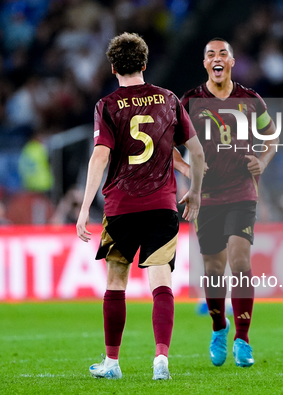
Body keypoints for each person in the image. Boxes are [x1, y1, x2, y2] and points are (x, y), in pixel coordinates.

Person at [75, 33, 204, 380]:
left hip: (121, 205)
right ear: (145, 64)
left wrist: (85, 206)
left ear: (113, 67)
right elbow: (196, 152)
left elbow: (101, 155)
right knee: (161, 280)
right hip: (163, 205)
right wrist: (194, 189)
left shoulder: (107, 105)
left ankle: (113, 363)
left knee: (116, 280)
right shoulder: (168, 99)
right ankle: (161, 358)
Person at [174, 38, 278, 368]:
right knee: (214, 269)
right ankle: (219, 328)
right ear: (205, 63)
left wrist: (262, 162)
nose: (217, 59)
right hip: (206, 196)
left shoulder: (250, 100)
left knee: (240, 261)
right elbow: (168, 145)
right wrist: (186, 169)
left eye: (222, 54)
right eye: (210, 54)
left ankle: (243, 339)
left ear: (231, 61)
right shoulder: (189, 101)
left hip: (242, 192)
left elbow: (272, 137)